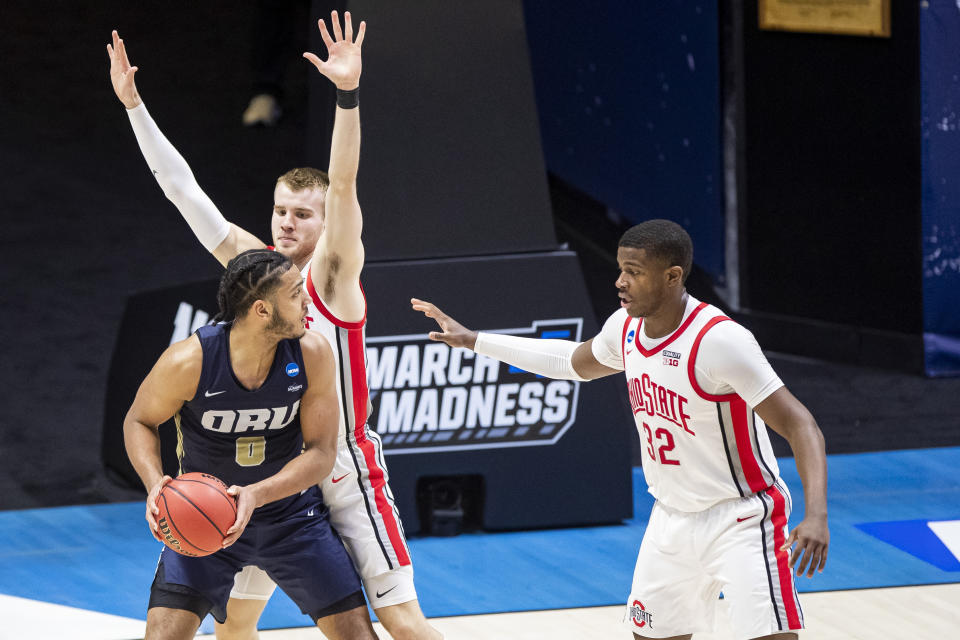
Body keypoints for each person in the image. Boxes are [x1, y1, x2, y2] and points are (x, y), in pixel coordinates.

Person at [108, 14, 441, 640]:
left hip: (342, 462)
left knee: (398, 619)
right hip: (278, 471)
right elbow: (186, 194)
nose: (288, 223)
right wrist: (134, 107)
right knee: (234, 629)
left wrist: (347, 95)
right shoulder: (260, 274)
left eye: (302, 214)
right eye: (280, 211)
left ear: (325, 222)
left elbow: (343, 182)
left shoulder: (334, 274)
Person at [412, 219, 829, 640]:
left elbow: (800, 424)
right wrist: (476, 340)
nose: (619, 282)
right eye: (620, 269)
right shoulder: (626, 328)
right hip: (672, 518)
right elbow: (569, 362)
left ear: (672, 277)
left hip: (741, 516)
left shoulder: (719, 341)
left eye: (633, 271)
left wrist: (816, 516)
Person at [124, 249, 378, 640]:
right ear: (262, 310)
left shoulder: (311, 353)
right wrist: (154, 482)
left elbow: (321, 453)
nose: (307, 299)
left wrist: (255, 495)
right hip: (204, 517)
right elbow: (139, 420)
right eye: (295, 293)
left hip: (292, 520)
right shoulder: (189, 361)